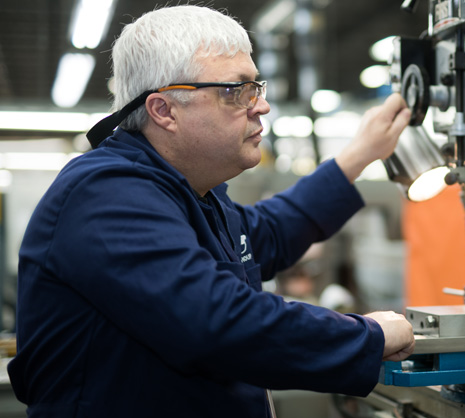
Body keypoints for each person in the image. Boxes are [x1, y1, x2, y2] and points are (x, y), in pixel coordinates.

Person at [9, 5, 414, 417]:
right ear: (164, 110)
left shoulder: (195, 195)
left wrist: (359, 156)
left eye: (256, 87)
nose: (261, 106)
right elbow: (217, 322)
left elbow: (268, 234)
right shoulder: (108, 194)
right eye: (235, 91)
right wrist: (367, 335)